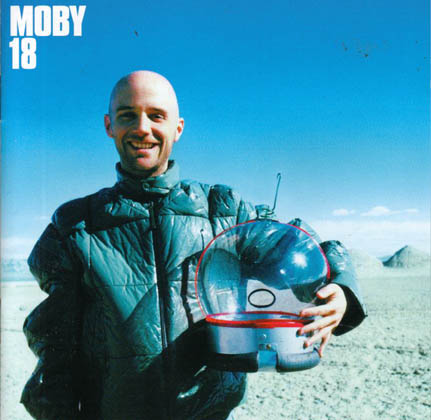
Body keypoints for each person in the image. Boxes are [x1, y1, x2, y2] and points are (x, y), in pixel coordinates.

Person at [21, 71, 366, 420]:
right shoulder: (76, 226)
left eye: (157, 116)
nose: (142, 128)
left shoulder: (224, 211)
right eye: (127, 115)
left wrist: (340, 289)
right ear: (109, 125)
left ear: (178, 128)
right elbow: (55, 348)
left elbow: (302, 244)